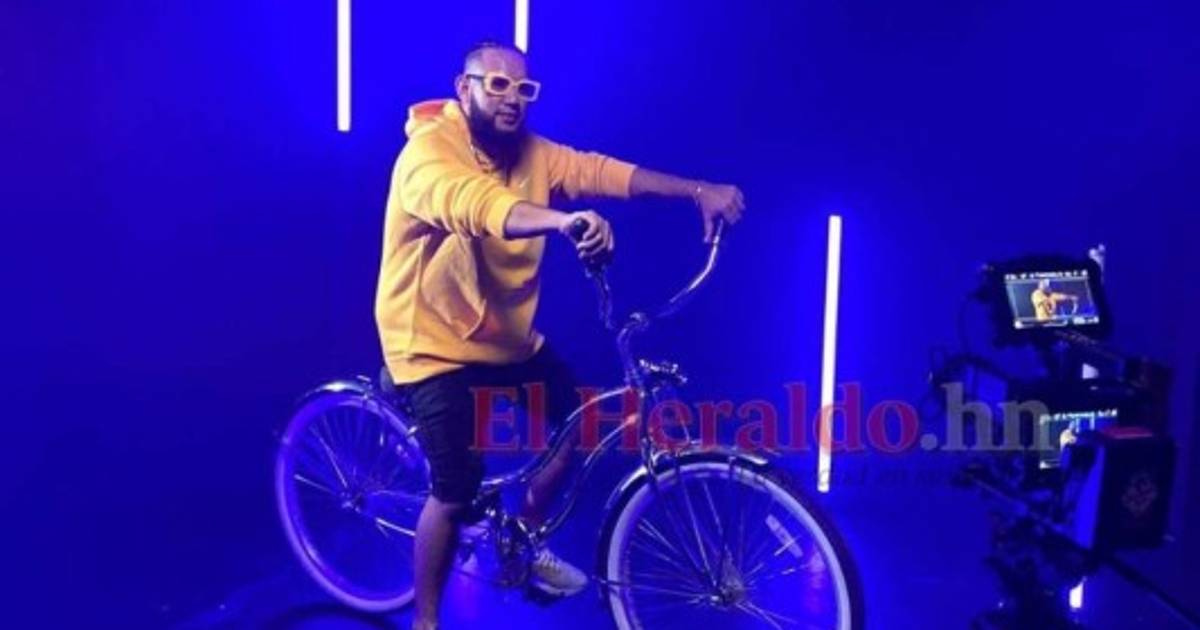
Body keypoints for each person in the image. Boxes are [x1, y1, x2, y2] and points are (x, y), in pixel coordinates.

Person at [374, 40, 745, 630]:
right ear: (464, 88)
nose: (511, 98)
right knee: (455, 490)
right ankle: (426, 621)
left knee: (582, 425)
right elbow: (475, 204)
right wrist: (563, 221)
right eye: (496, 84)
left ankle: (517, 543)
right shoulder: (427, 154)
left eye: (522, 88)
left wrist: (697, 190)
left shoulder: (533, 155)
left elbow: (602, 172)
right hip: (432, 345)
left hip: (505, 338)